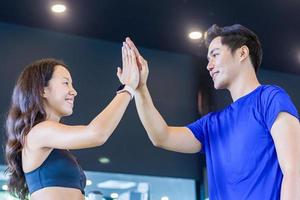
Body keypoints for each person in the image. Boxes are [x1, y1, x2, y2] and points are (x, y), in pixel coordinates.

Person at [125, 24, 300, 200]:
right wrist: (140, 88)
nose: (209, 66)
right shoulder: (211, 124)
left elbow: (294, 170)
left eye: (215, 55)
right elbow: (161, 136)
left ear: (242, 53)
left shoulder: (270, 98)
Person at [5, 43, 138, 200]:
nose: (73, 91)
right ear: (43, 90)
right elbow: (97, 134)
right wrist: (128, 88)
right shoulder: (39, 132)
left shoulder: (52, 140)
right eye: (66, 83)